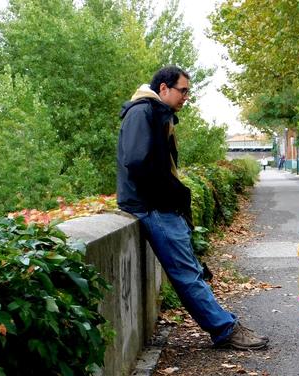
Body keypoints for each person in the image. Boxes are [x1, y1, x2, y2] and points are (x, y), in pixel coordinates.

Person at [116, 66, 268, 350]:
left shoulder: (154, 113)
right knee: (187, 274)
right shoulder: (142, 113)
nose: (186, 97)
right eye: (183, 90)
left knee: (192, 271)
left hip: (159, 206)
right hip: (153, 208)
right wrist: (166, 194)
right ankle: (225, 330)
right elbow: (137, 163)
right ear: (164, 88)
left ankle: (225, 326)